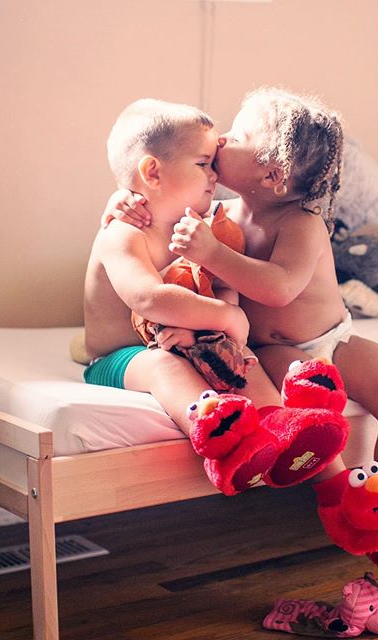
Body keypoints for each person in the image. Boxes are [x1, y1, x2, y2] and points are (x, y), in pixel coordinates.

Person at [106, 89, 378, 500]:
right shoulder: (217, 213)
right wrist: (122, 201)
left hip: (334, 341)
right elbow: (161, 201)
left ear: (272, 176)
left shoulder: (302, 224)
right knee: (304, 413)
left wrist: (212, 253)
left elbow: (279, 288)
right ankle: (344, 499)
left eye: (236, 137)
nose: (221, 140)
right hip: (275, 351)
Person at [84, 98, 283, 442]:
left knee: (241, 358)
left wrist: (218, 323)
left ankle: (278, 432)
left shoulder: (198, 229)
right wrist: (226, 317)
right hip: (122, 357)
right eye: (203, 163)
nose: (214, 175)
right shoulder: (123, 233)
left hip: (187, 341)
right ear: (153, 173)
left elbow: (218, 283)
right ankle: (221, 438)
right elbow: (150, 299)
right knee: (165, 367)